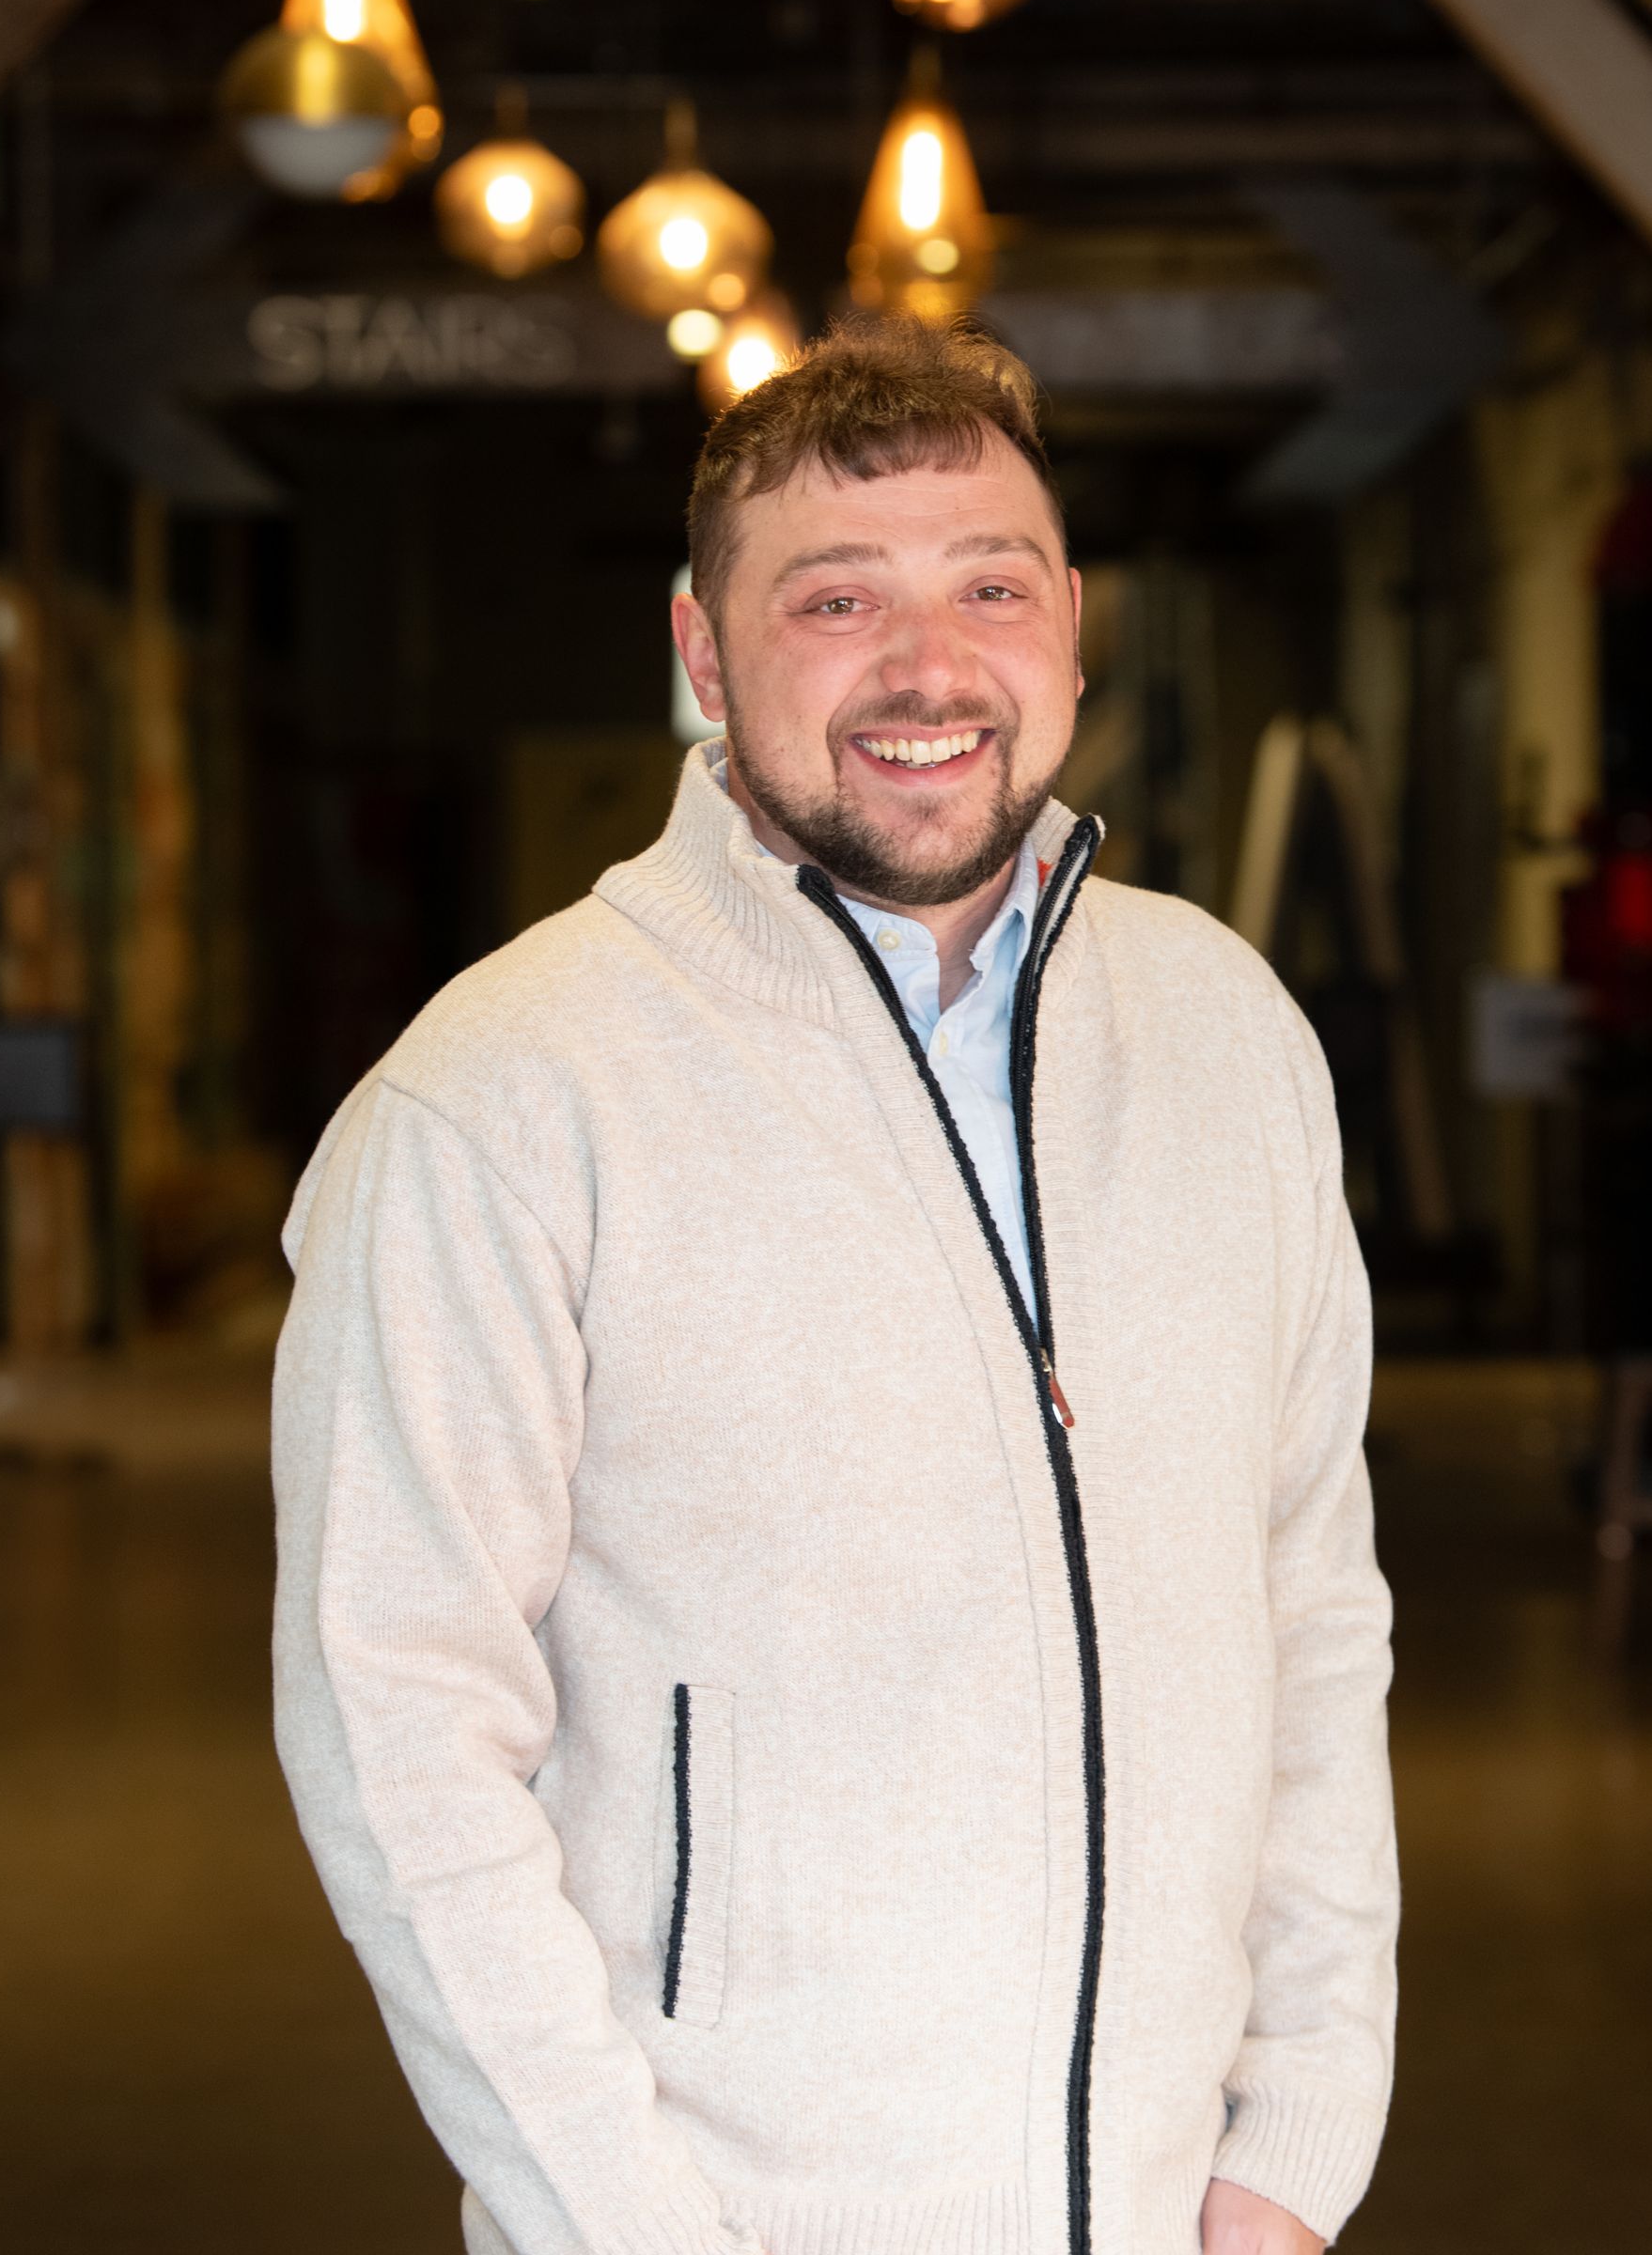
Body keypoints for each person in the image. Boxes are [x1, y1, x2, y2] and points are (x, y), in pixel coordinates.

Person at [273, 315, 1397, 2255]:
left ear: (1069, 622)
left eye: (990, 585)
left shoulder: (1228, 1032)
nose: (928, 665)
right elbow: (396, 1734)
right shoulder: (502, 1100)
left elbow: (1313, 1597)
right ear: (704, 656)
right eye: (834, 598)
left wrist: (1298, 2127)